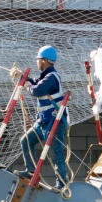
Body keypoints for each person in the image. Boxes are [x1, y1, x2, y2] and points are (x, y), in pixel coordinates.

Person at [12, 45, 69, 191]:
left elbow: (37, 90)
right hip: (45, 121)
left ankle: (62, 184)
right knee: (25, 140)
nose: (37, 62)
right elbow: (36, 82)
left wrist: (26, 86)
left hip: (54, 122)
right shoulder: (46, 77)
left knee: (56, 154)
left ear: (45, 61)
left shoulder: (51, 77)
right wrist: (22, 77)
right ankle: (31, 171)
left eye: (39, 59)